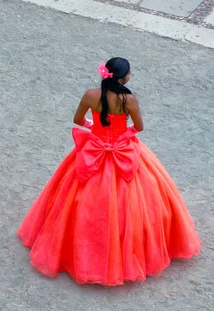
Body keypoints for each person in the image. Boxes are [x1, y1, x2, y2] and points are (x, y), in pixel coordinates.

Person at [17, 57, 200, 286]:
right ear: (123, 78)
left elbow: (77, 120)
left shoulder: (90, 95)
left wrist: (94, 128)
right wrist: (121, 136)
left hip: (93, 150)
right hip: (123, 153)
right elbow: (139, 128)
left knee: (75, 201)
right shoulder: (129, 100)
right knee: (140, 203)